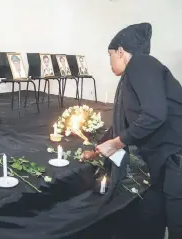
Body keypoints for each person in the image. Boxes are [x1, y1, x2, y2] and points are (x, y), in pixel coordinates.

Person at [81, 23, 182, 239]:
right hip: (162, 159)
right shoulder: (133, 77)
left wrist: (118, 143)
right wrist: (97, 149)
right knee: (154, 213)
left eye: (110, 55)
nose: (109, 61)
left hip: (176, 156)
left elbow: (155, 114)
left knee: (177, 222)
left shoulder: (142, 63)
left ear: (120, 51)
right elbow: (125, 124)